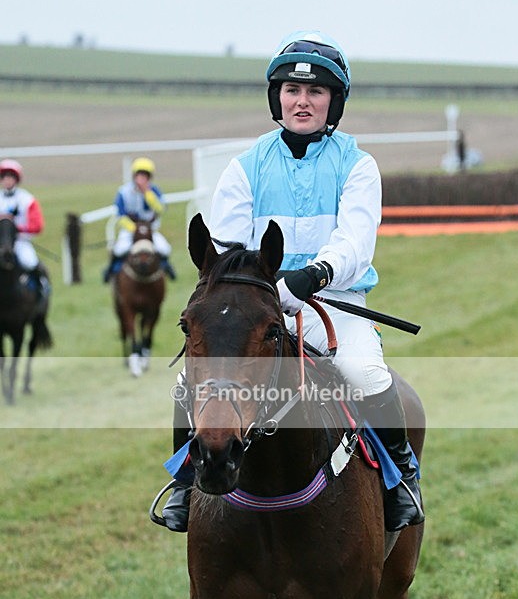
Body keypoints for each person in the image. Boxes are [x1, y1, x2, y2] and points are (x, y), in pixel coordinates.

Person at [156, 30, 424, 534]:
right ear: (276, 97)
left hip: (335, 303)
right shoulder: (244, 167)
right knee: (185, 382)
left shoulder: (358, 166)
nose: (302, 102)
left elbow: (354, 242)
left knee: (366, 375)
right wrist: (258, 287)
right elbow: (229, 243)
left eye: (316, 92)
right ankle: (187, 483)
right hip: (260, 305)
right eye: (292, 91)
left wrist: (314, 274)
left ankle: (400, 477)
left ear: (334, 102)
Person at [103, 157, 176, 282]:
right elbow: (120, 216)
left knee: (164, 248)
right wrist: (134, 228)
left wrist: (147, 193)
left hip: (150, 230)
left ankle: (166, 267)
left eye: (145, 175)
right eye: (139, 175)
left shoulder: (154, 191)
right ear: (134, 175)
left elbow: (160, 209)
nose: (142, 178)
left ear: (149, 177)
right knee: (119, 249)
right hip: (130, 230)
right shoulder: (123, 192)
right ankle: (111, 270)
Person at [0, 159, 48, 299]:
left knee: (30, 261)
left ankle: (40, 290)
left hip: (20, 241)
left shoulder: (27, 199)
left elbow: (37, 226)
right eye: (4, 177)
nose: (7, 180)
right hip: (1, 242)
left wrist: (17, 229)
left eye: (10, 177)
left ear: (16, 179)